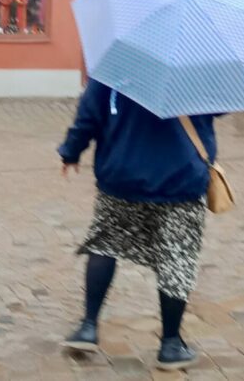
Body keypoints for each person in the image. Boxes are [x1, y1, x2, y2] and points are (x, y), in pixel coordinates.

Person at [57, 79, 217, 371]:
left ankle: (88, 327)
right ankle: (170, 345)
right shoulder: (196, 72)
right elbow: (217, 108)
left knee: (105, 243)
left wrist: (71, 152)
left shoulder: (114, 69)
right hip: (180, 180)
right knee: (177, 258)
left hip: (121, 177)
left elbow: (88, 117)